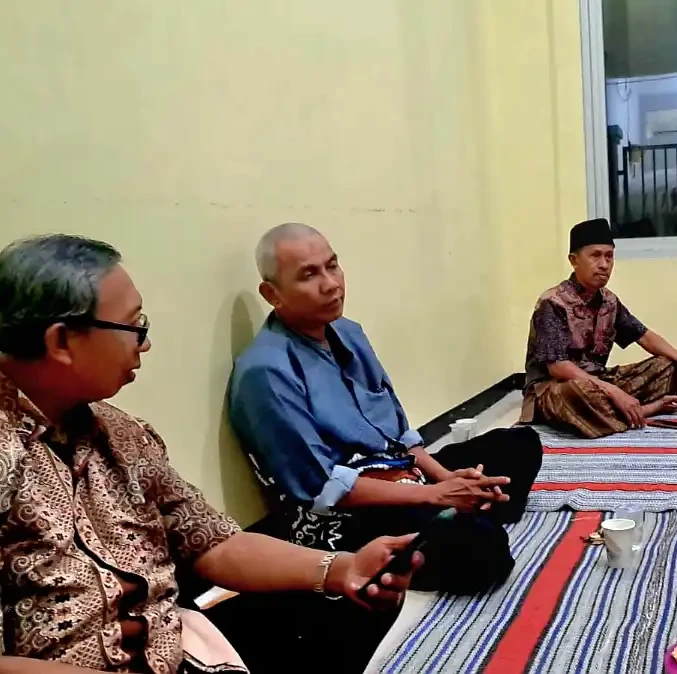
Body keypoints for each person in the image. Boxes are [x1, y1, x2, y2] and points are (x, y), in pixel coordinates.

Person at [0, 235, 421, 674]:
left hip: (174, 645)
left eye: (332, 266)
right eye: (135, 326)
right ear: (61, 341)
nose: (145, 343)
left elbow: (211, 541)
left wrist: (342, 569)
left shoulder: (121, 432)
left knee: (348, 606)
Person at [228, 223, 542, 596]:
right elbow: (322, 489)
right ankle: (467, 517)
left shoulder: (349, 333)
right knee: (484, 551)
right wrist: (436, 495)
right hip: (347, 514)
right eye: (309, 275)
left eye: (332, 265)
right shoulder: (266, 372)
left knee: (521, 443)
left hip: (405, 476)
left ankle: (467, 509)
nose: (331, 283)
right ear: (272, 294)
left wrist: (446, 478)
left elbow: (400, 435)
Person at [521, 218, 677, 438]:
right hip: (556, 389)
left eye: (609, 256)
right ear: (574, 260)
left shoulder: (609, 301)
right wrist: (614, 392)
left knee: (668, 365)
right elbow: (557, 368)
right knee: (580, 392)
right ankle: (643, 410)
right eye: (595, 255)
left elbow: (644, 336)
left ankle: (618, 411)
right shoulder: (553, 303)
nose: (604, 264)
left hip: (598, 381)